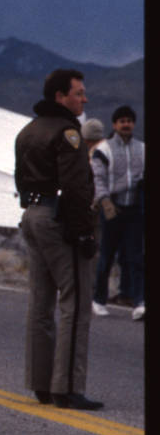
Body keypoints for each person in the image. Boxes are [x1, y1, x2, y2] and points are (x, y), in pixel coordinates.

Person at [14, 68, 102, 411]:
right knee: (75, 301)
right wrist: (84, 231)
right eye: (78, 93)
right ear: (60, 97)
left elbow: (20, 179)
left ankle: (41, 382)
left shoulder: (28, 131)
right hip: (58, 217)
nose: (84, 99)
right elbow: (76, 187)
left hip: (32, 214)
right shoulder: (68, 133)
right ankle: (67, 387)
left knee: (40, 302)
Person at [89, 105, 145, 320]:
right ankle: (99, 300)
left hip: (134, 210)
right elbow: (98, 178)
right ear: (114, 124)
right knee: (107, 255)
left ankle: (139, 302)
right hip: (112, 209)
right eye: (122, 121)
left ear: (133, 123)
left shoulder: (142, 149)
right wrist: (104, 201)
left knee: (136, 257)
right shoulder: (104, 150)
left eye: (129, 121)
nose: (126, 124)